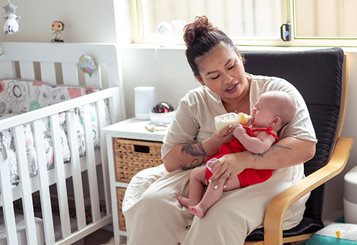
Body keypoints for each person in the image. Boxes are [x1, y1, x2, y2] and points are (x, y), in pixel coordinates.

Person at [123, 15, 317, 245]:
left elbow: (305, 147)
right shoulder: (194, 102)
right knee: (154, 202)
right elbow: (170, 161)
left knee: (216, 217)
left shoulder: (276, 91)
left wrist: (243, 159)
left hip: (269, 177)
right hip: (212, 172)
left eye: (231, 66)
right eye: (214, 76)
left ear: (239, 55)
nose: (229, 79)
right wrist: (212, 143)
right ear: (200, 79)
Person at [176, 91, 296, 218]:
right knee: (195, 174)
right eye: (255, 106)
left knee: (218, 180)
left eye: (259, 109)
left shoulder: (268, 134)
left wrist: (241, 134)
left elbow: (259, 148)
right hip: (229, 161)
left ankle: (202, 207)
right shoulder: (253, 127)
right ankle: (193, 200)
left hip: (244, 171)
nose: (253, 110)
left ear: (274, 121)